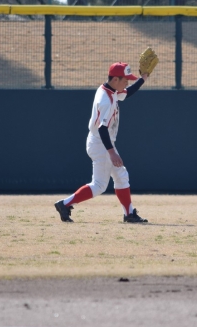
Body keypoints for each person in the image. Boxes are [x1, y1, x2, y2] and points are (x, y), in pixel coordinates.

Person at [55, 62, 148, 223]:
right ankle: (65, 204)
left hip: (100, 141)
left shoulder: (109, 89)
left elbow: (127, 93)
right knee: (99, 185)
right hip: (101, 143)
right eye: (125, 79)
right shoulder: (107, 100)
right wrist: (111, 152)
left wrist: (143, 78)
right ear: (115, 79)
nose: (127, 82)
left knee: (121, 176)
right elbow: (102, 128)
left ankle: (129, 214)